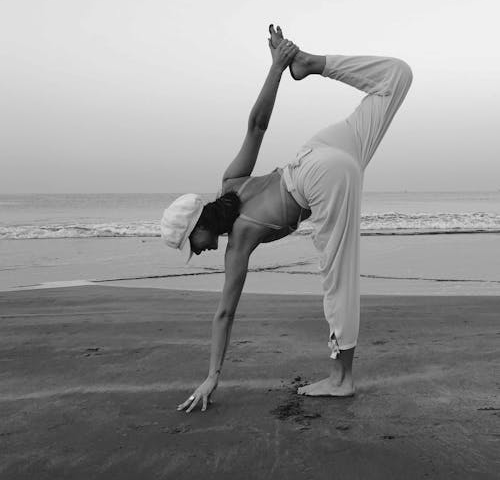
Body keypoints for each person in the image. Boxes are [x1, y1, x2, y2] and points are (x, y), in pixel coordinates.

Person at [161, 25, 413, 412]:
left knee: (338, 272)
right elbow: (257, 126)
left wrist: (213, 375)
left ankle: (341, 379)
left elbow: (224, 313)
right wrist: (279, 68)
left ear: (198, 226)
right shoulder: (231, 183)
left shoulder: (239, 242)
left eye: (191, 245)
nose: (199, 251)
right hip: (321, 149)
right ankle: (311, 64)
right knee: (396, 77)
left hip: (319, 177)